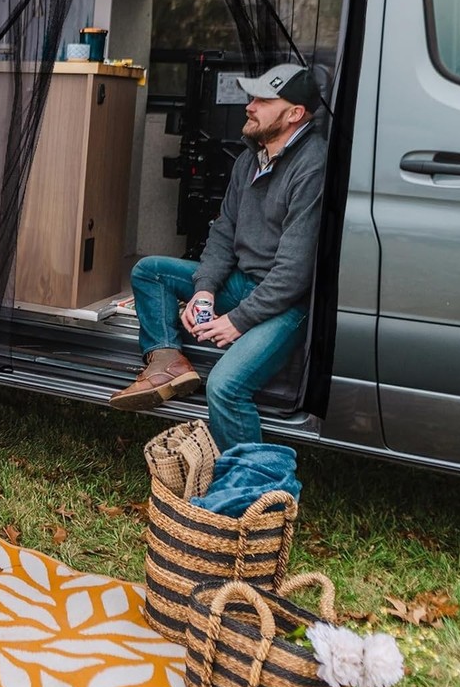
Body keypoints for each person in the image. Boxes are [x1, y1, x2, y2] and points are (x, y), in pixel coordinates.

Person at [109, 63, 326, 453]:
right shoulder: (251, 160)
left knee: (225, 387)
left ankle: (252, 487)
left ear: (295, 114)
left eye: (262, 99)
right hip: (244, 283)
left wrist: (237, 322)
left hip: (287, 306)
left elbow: (294, 274)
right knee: (150, 271)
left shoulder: (313, 165)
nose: (249, 106)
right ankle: (167, 362)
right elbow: (223, 233)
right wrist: (205, 291)